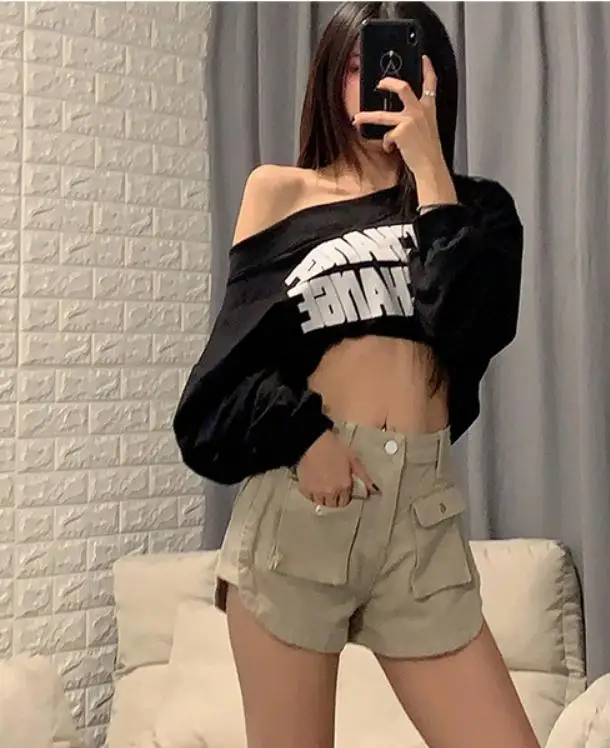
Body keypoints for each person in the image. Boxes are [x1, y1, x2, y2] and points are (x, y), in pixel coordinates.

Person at [173, 3, 537, 747]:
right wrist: (303, 437)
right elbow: (221, 382)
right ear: (328, 79)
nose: (372, 82)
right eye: (352, 65)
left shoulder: (478, 210)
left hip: (423, 522)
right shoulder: (280, 194)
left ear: (435, 80)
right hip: (303, 507)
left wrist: (430, 172)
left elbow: (473, 327)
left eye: (402, 63)